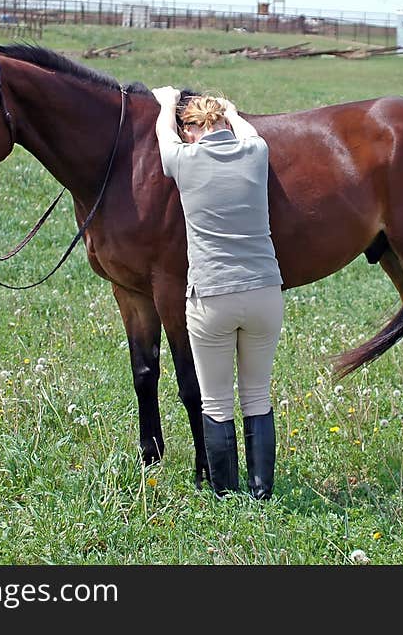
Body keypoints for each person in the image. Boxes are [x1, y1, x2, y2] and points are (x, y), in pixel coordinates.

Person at [151, 86, 283, 499]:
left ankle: (226, 497)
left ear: (190, 131)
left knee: (216, 403)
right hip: (265, 293)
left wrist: (167, 102)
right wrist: (229, 109)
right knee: (257, 397)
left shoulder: (184, 161)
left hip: (212, 297)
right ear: (225, 122)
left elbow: (162, 133)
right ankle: (262, 493)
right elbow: (249, 132)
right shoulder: (256, 153)